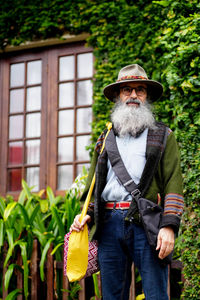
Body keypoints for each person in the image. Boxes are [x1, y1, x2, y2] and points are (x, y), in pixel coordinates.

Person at [70, 64, 184, 300]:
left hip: (147, 223)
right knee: (112, 296)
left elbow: (174, 181)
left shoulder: (164, 135)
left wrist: (169, 226)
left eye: (140, 89)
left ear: (147, 96)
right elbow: (94, 182)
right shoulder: (105, 137)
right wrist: (86, 213)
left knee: (156, 295)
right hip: (109, 224)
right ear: (117, 96)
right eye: (127, 90)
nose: (133, 95)